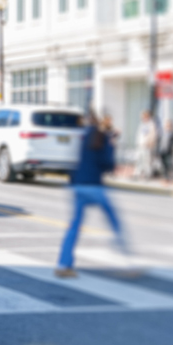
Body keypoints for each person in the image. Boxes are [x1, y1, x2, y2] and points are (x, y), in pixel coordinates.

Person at [55, 112, 133, 279]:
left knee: (74, 226)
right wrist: (112, 145)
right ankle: (126, 262)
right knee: (114, 221)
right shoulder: (102, 137)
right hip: (95, 186)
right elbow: (108, 164)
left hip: (78, 185)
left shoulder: (84, 135)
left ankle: (63, 264)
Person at [137, 110, 159, 179]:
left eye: (144, 116)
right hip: (141, 145)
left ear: (147, 117)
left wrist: (150, 143)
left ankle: (148, 174)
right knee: (140, 160)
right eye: (142, 117)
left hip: (147, 146)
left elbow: (153, 135)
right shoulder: (142, 124)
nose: (142, 118)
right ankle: (140, 173)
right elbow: (140, 134)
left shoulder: (151, 124)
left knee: (147, 161)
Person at [159, 118, 173, 182]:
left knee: (172, 165)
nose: (167, 127)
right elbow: (159, 141)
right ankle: (166, 177)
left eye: (169, 125)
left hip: (170, 151)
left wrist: (172, 145)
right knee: (164, 165)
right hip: (162, 151)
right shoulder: (163, 133)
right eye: (167, 125)